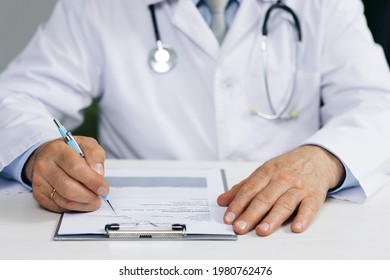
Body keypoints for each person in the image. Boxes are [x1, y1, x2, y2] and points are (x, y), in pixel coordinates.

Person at [0, 0, 390, 237]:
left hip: (286, 235)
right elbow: (15, 97)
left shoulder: (326, 4)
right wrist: (38, 152)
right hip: (137, 243)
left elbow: (377, 103)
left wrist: (324, 159)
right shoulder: (97, 5)